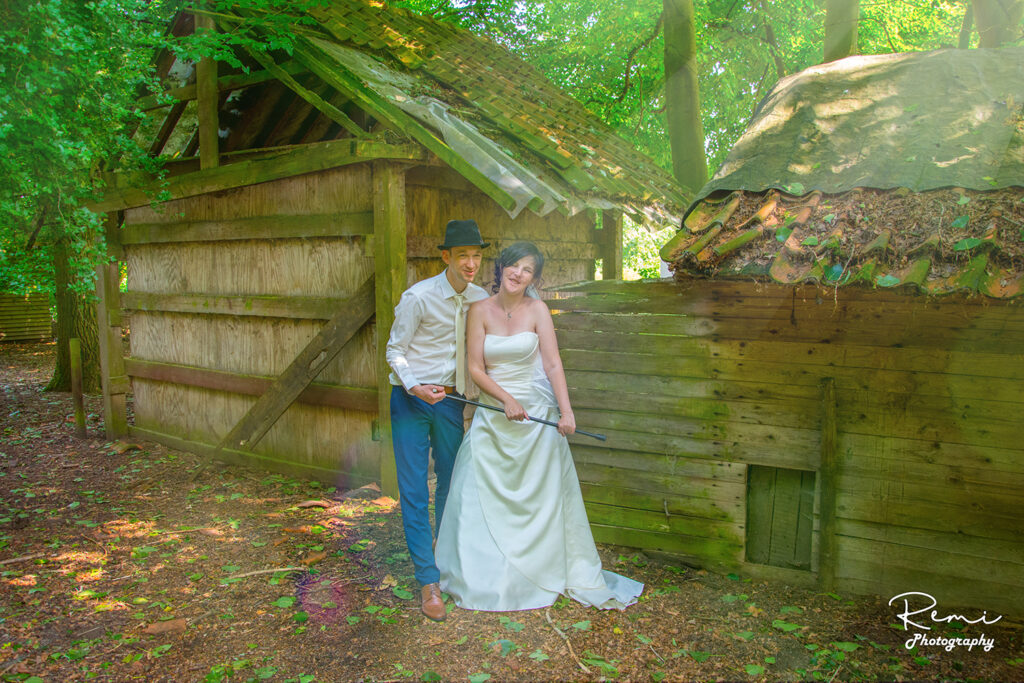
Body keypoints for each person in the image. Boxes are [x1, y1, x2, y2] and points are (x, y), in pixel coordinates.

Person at [435, 241, 643, 611]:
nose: (518, 273)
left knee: (540, 494)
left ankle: (539, 568)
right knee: (476, 487)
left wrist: (567, 412)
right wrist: (506, 400)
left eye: (527, 269)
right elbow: (476, 369)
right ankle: (481, 574)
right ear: (501, 268)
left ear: (534, 278)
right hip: (496, 412)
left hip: (536, 413)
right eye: (513, 265)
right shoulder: (479, 310)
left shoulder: (538, 310)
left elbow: (552, 365)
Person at [385, 219, 489, 621]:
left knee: (451, 480)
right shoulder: (418, 297)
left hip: (451, 401)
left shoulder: (481, 299)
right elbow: (395, 351)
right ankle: (428, 581)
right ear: (446, 256)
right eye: (462, 255)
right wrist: (414, 387)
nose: (470, 262)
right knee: (414, 489)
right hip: (410, 399)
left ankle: (443, 560)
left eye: (476, 255)